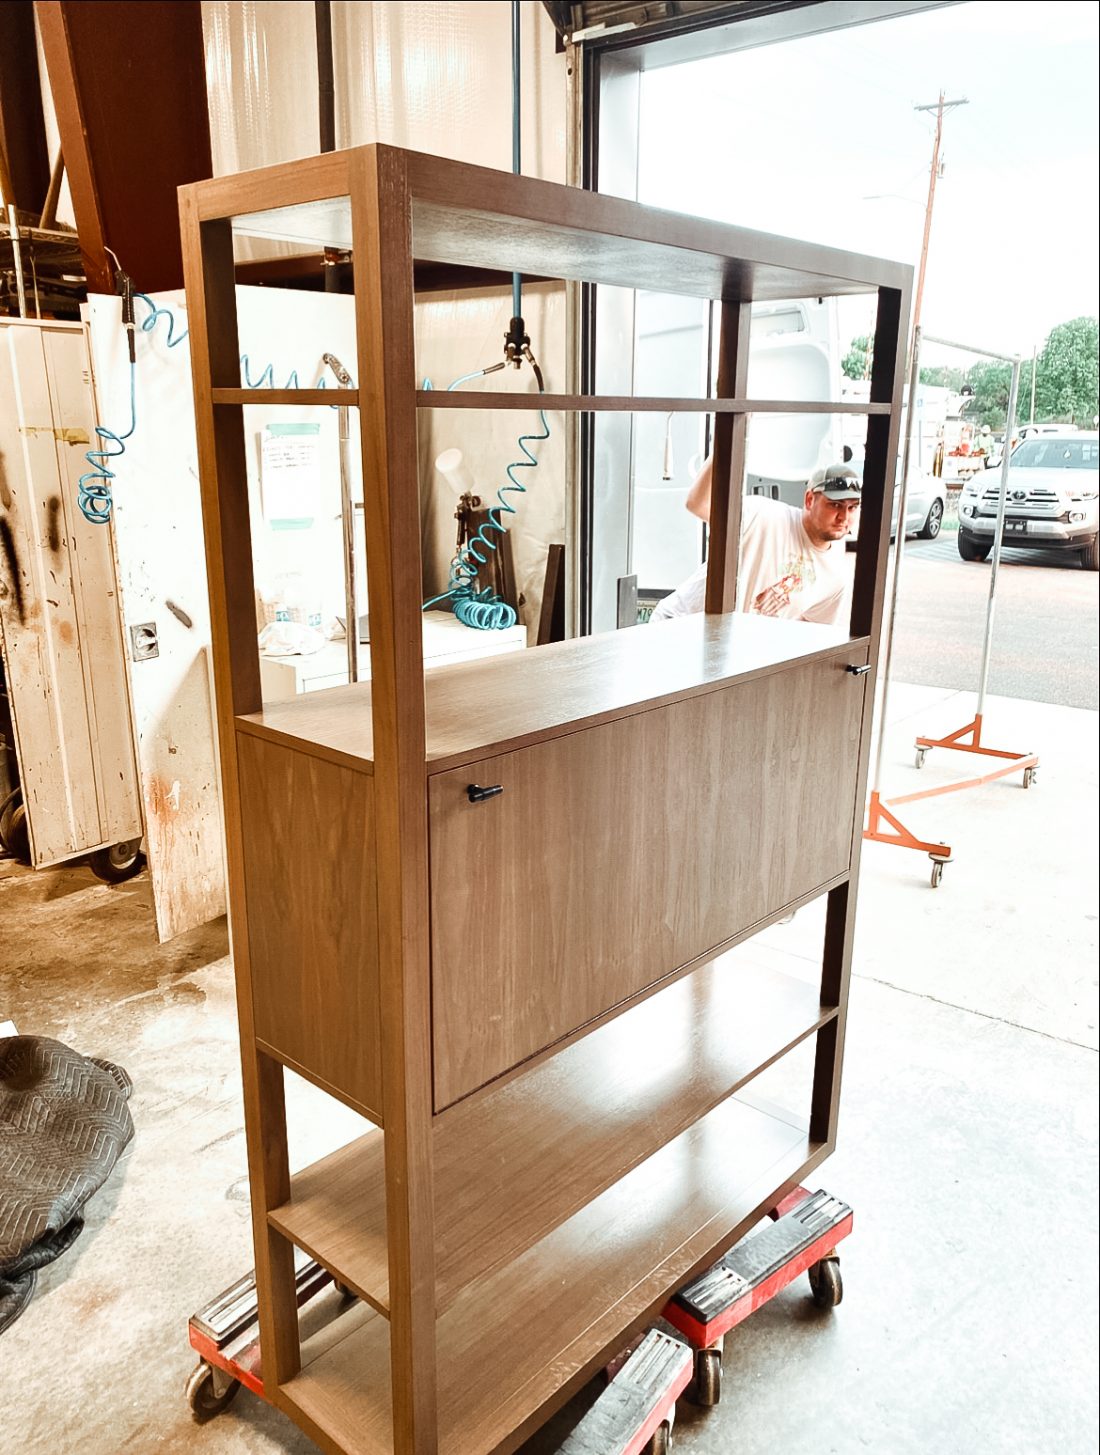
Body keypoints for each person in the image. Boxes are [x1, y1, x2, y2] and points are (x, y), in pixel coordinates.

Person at [650, 458, 861, 626]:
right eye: (835, 505)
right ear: (809, 499)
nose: (844, 516)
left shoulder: (836, 575)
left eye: (852, 507)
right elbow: (698, 504)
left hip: (728, 656)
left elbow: (808, 635)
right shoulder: (763, 514)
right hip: (678, 627)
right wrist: (724, 441)